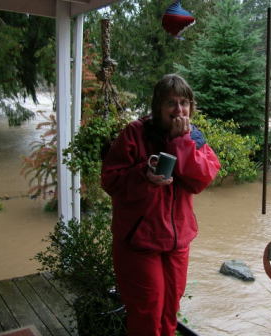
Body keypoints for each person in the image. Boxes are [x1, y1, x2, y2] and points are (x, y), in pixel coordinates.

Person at [101, 74, 221, 336]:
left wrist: (181, 143)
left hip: (177, 242)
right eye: (171, 103)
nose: (179, 110)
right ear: (157, 106)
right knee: (147, 312)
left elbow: (201, 180)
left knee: (169, 311)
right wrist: (143, 175)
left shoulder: (194, 137)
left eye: (184, 103)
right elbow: (110, 180)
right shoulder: (135, 132)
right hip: (139, 242)